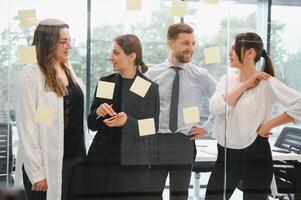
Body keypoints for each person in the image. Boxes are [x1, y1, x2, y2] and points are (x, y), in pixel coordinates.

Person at [205, 32, 301, 200]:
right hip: (226, 155)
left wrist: (269, 125)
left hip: (257, 154)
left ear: (250, 53)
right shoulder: (225, 80)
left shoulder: (267, 83)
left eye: (234, 48)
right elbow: (215, 108)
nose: (229, 53)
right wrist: (246, 85)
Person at [14, 18, 88, 200]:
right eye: (63, 42)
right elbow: (27, 126)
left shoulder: (69, 69)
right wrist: (37, 173)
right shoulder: (31, 74)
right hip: (46, 165)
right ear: (48, 43)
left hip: (74, 160)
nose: (69, 46)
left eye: (70, 40)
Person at [145, 23, 217, 200]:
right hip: (157, 141)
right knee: (151, 194)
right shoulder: (150, 75)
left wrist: (207, 128)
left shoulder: (201, 75)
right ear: (170, 44)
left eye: (193, 43)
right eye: (185, 43)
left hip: (184, 142)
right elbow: (137, 107)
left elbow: (222, 104)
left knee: (180, 195)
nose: (190, 48)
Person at [83, 34, 159, 199]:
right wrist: (97, 112)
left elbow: (151, 129)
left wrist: (127, 122)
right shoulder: (106, 82)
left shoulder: (148, 87)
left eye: (116, 53)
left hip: (130, 168)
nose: (110, 57)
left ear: (132, 56)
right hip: (100, 165)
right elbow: (91, 125)